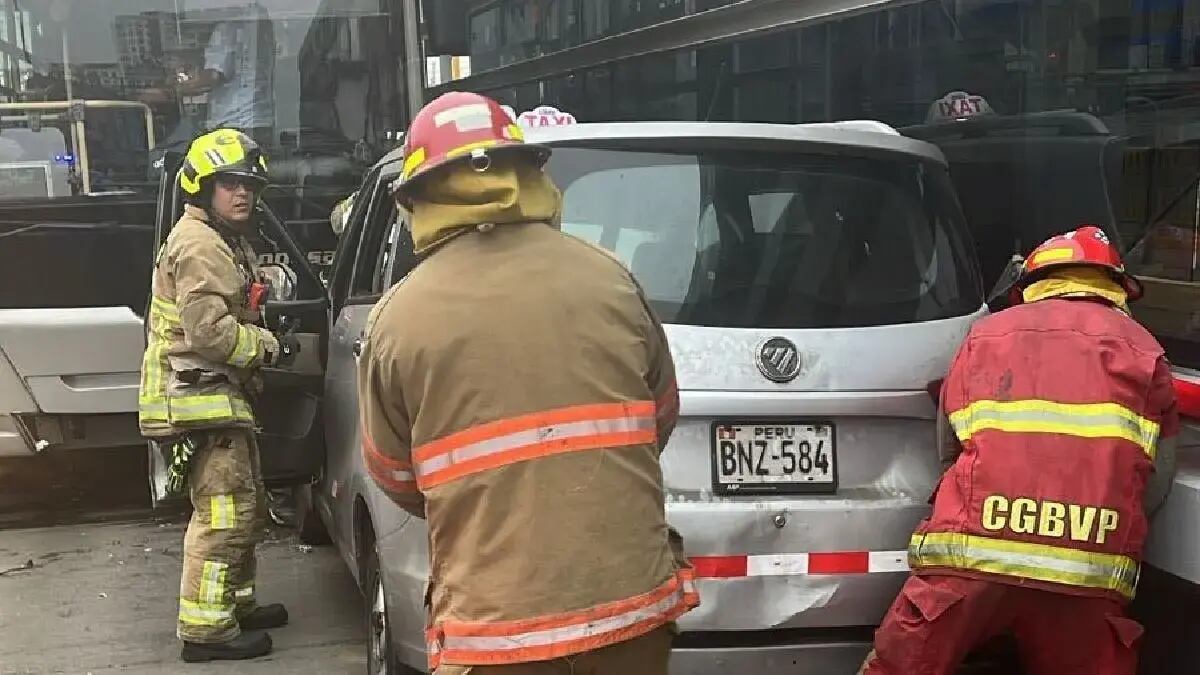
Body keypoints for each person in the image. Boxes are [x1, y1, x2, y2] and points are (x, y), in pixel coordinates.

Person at [356, 91, 699, 675]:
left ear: (417, 199)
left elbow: (395, 475)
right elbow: (659, 417)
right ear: (530, 175)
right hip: (630, 610)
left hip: (497, 631)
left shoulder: (396, 319)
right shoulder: (610, 278)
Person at [859, 225, 1179, 675]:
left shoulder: (986, 335)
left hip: (970, 561)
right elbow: (1157, 481)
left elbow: (948, 446)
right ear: (1115, 286)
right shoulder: (1147, 353)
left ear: (1033, 283)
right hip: (1086, 576)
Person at [138, 128, 295, 663]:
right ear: (202, 188)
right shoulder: (202, 245)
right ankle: (206, 632)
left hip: (215, 395)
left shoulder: (220, 238)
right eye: (229, 183)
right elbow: (209, 333)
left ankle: (235, 604)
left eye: (248, 183)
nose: (242, 193)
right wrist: (268, 345)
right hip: (199, 396)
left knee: (243, 506)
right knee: (224, 514)